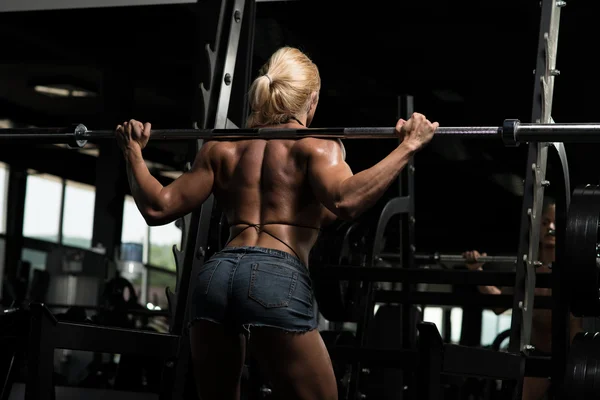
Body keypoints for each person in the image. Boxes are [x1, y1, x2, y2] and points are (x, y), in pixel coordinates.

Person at [115, 46, 438, 400]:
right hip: (275, 276)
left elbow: (158, 207)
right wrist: (407, 147)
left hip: (216, 276)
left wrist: (133, 152)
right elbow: (346, 200)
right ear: (311, 100)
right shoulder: (317, 145)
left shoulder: (221, 147)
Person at [463, 196, 583, 400]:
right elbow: (499, 305)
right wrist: (477, 271)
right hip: (537, 357)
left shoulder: (575, 271)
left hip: (572, 358)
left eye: (556, 222)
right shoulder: (528, 272)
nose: (551, 227)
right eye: (545, 222)